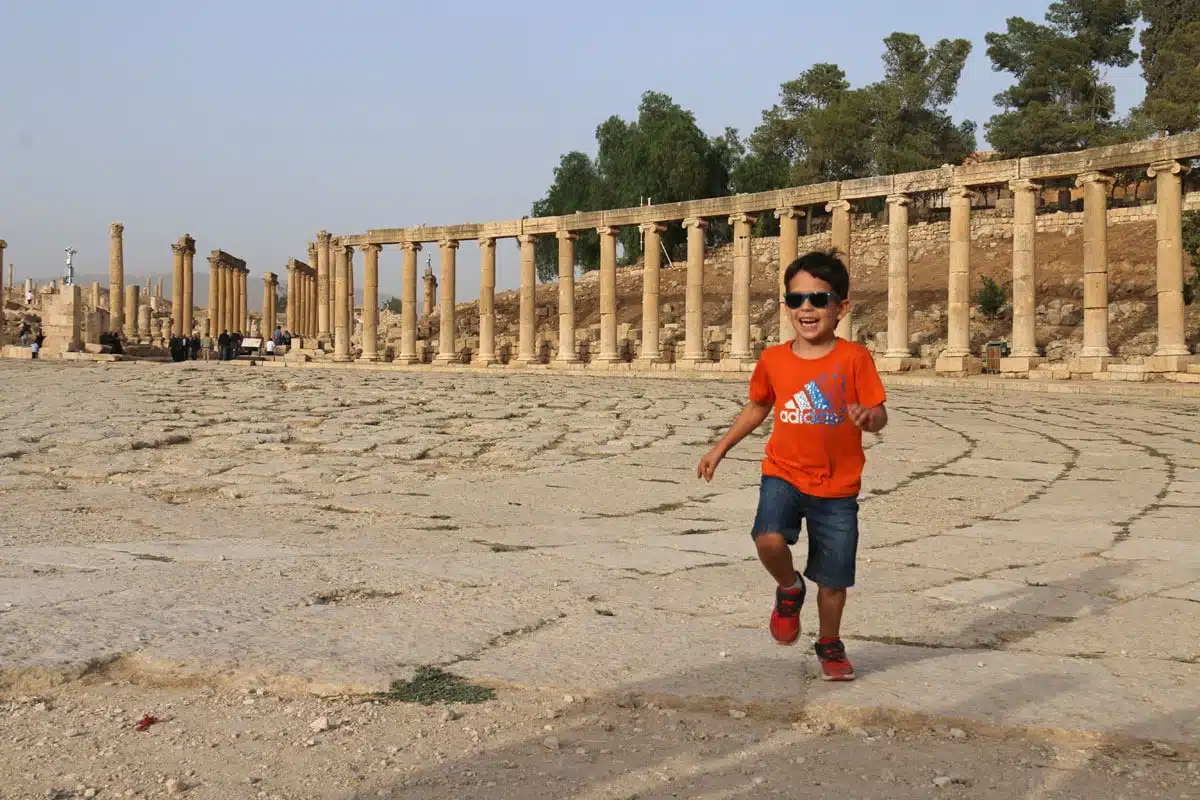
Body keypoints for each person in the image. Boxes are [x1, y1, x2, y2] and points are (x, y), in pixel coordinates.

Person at [697, 249, 887, 682]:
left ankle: (829, 643)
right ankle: (789, 588)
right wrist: (719, 447)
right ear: (786, 306)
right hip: (782, 471)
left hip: (838, 486)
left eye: (820, 300)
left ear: (841, 308)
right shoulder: (773, 360)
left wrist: (869, 418)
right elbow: (757, 406)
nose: (808, 308)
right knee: (766, 538)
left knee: (834, 578)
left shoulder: (855, 358)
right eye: (798, 299)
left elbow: (878, 413)